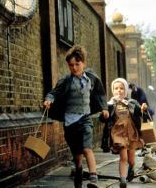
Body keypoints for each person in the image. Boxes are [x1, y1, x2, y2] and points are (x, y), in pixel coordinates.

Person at [44, 45, 109, 188]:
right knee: (77, 157)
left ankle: (93, 179)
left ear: (84, 64)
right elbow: (53, 92)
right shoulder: (66, 81)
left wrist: (104, 108)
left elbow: (99, 93)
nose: (74, 68)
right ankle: (78, 178)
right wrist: (49, 100)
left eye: (77, 64)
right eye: (71, 65)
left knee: (87, 148)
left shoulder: (91, 78)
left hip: (85, 119)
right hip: (70, 122)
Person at [101, 78, 147, 188]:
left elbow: (140, 114)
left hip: (131, 132)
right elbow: (103, 119)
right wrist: (104, 115)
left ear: (126, 90)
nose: (119, 91)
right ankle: (123, 179)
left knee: (131, 159)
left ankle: (131, 168)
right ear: (112, 90)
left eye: (121, 88)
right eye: (116, 88)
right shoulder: (110, 104)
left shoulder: (131, 103)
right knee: (123, 157)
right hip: (118, 133)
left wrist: (143, 108)